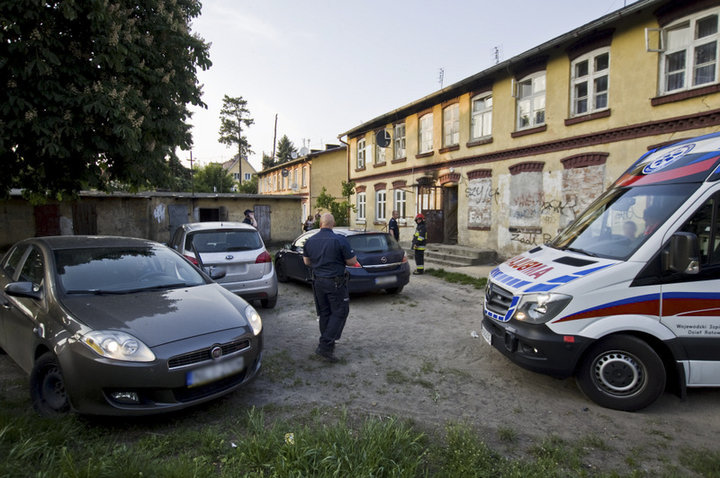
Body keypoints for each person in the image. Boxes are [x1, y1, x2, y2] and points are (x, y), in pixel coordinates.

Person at [303, 213, 359, 362]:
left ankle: (328, 343)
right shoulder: (340, 240)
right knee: (340, 311)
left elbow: (307, 262)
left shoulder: (310, 241)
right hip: (335, 282)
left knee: (325, 312)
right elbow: (352, 261)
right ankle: (325, 345)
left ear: (320, 224)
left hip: (318, 282)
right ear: (332, 224)